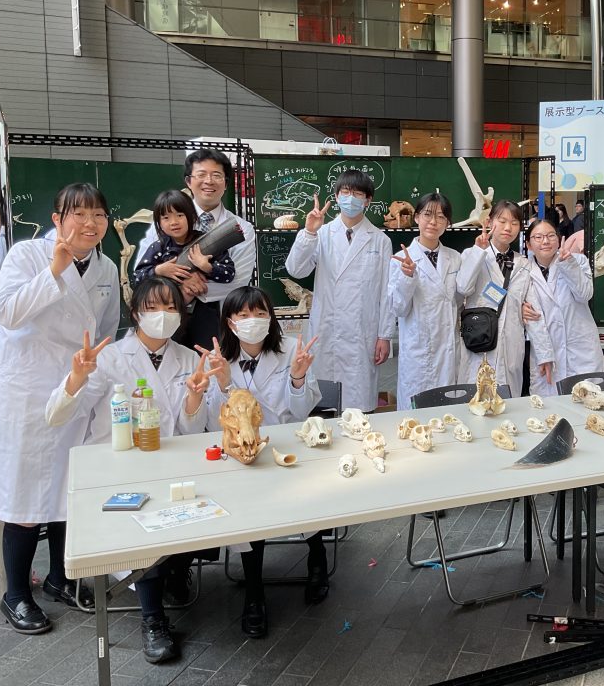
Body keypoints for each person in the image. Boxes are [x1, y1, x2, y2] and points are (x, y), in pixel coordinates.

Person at [0, 184, 119, 635]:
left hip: (75, 384)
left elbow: (107, 328)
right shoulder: (27, 255)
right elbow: (7, 312)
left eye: (98, 215)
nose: (89, 223)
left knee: (67, 488)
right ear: (57, 220)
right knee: (26, 494)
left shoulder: (107, 267)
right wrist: (54, 269)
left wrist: (93, 376)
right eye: (78, 214)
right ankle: (16, 593)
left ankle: (60, 577)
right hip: (29, 391)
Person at [45, 276, 220, 662]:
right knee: (144, 527)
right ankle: (152, 619)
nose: (163, 315)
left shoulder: (189, 359)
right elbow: (56, 416)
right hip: (119, 468)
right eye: (152, 307)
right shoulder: (109, 359)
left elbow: (191, 430)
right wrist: (77, 378)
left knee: (211, 505)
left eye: (171, 307)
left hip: (172, 463)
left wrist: (194, 398)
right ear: (136, 312)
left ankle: (175, 568)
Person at [202, 286, 322, 633]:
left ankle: (317, 557)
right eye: (243, 315)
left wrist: (297, 377)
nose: (252, 320)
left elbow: (301, 411)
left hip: (285, 444)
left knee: (306, 499)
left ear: (271, 318)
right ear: (230, 322)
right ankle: (254, 593)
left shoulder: (291, 351)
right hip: (241, 452)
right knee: (247, 513)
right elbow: (212, 422)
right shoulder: (218, 360)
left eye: (260, 313)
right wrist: (224, 385)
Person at [284, 169, 394, 411]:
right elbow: (296, 270)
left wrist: (384, 335)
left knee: (359, 408)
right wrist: (309, 232)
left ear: (368, 200)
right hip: (328, 329)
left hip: (362, 332)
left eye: (358, 194)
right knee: (325, 405)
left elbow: (387, 293)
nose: (351, 198)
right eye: (345, 192)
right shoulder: (322, 233)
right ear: (336, 197)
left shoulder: (380, 240)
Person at [136, 149, 255, 351]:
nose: (209, 181)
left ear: (226, 183)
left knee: (208, 365)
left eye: (216, 175)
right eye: (201, 174)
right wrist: (176, 291)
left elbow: (239, 280)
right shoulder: (166, 222)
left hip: (216, 319)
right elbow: (144, 272)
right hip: (167, 314)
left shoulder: (241, 228)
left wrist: (191, 288)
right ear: (189, 181)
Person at [458, 200, 554, 398]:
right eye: (502, 221)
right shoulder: (472, 254)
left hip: (511, 344)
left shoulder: (524, 264)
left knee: (508, 404)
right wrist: (478, 252)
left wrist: (544, 355)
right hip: (479, 342)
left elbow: (533, 312)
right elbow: (463, 287)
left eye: (514, 223)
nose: (508, 228)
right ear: (489, 222)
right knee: (475, 402)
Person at [388, 193, 463, 409]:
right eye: (427, 215)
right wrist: (407, 277)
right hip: (417, 350)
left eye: (441, 217)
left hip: (447, 349)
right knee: (415, 415)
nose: (433, 222)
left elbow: (459, 300)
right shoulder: (401, 259)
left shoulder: (455, 258)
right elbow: (398, 308)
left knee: (447, 414)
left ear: (447, 223)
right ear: (417, 218)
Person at [523, 219, 604, 397]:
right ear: (528, 244)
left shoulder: (578, 260)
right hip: (547, 352)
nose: (545, 241)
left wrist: (568, 264)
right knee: (549, 407)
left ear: (559, 239)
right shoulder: (523, 270)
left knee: (588, 403)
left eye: (551, 236)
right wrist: (520, 309)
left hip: (580, 351)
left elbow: (585, 294)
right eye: (538, 237)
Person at [133, 189, 236, 286]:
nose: (174, 222)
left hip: (206, 298)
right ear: (159, 223)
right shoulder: (159, 246)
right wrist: (158, 270)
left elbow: (229, 274)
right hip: (168, 298)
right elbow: (137, 278)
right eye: (166, 218)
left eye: (180, 215)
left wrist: (207, 267)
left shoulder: (208, 241)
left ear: (193, 217)